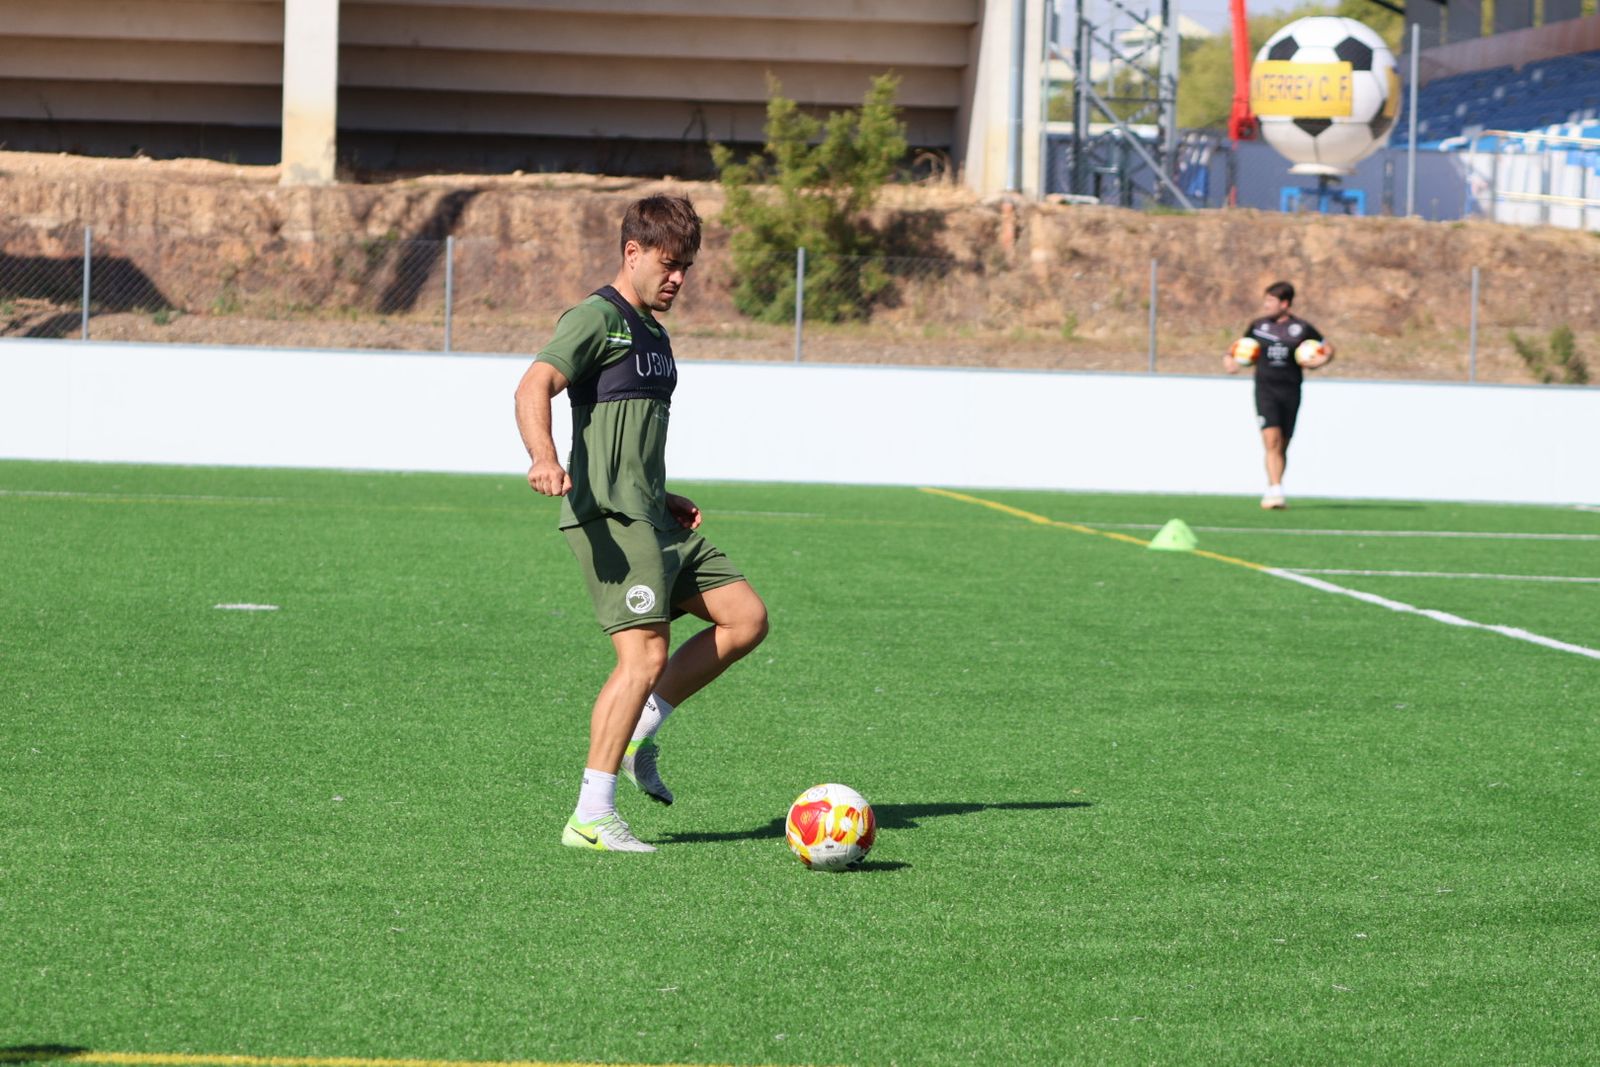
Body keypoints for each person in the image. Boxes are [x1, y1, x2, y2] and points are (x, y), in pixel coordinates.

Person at [513, 195, 769, 853]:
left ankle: (642, 731)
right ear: (632, 253)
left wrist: (664, 490)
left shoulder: (654, 332)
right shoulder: (596, 318)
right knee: (644, 652)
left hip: (654, 512)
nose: (679, 278)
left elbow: (626, 430)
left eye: (686, 266)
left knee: (745, 618)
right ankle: (591, 813)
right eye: (669, 263)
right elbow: (533, 383)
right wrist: (543, 456)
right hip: (612, 519)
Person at [1224, 281, 1334, 509]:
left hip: (1291, 390)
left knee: (1283, 443)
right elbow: (1237, 348)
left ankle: (1275, 485)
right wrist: (1230, 360)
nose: (1266, 305)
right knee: (1271, 439)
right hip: (1265, 389)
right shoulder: (1257, 326)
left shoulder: (1302, 329)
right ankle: (1275, 490)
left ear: (1285, 304)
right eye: (1265, 300)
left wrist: (1322, 359)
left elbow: (1327, 348)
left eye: (1271, 301)